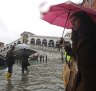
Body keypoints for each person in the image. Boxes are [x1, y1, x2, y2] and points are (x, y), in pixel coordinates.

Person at [70, 11, 96, 91]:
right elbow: (75, 55)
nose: (73, 24)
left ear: (83, 19)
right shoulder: (77, 38)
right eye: (71, 22)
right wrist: (65, 46)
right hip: (82, 76)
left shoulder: (93, 34)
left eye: (75, 20)